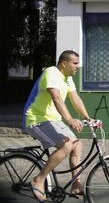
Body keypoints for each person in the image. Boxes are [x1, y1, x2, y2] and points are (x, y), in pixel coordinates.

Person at [23, 50, 92, 202]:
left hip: (53, 120)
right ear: (64, 63)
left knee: (77, 144)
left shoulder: (67, 79)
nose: (78, 66)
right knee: (66, 146)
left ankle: (76, 184)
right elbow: (56, 97)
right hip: (36, 119)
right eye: (75, 63)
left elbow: (75, 99)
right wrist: (70, 119)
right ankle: (39, 179)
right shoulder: (51, 72)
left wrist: (88, 118)